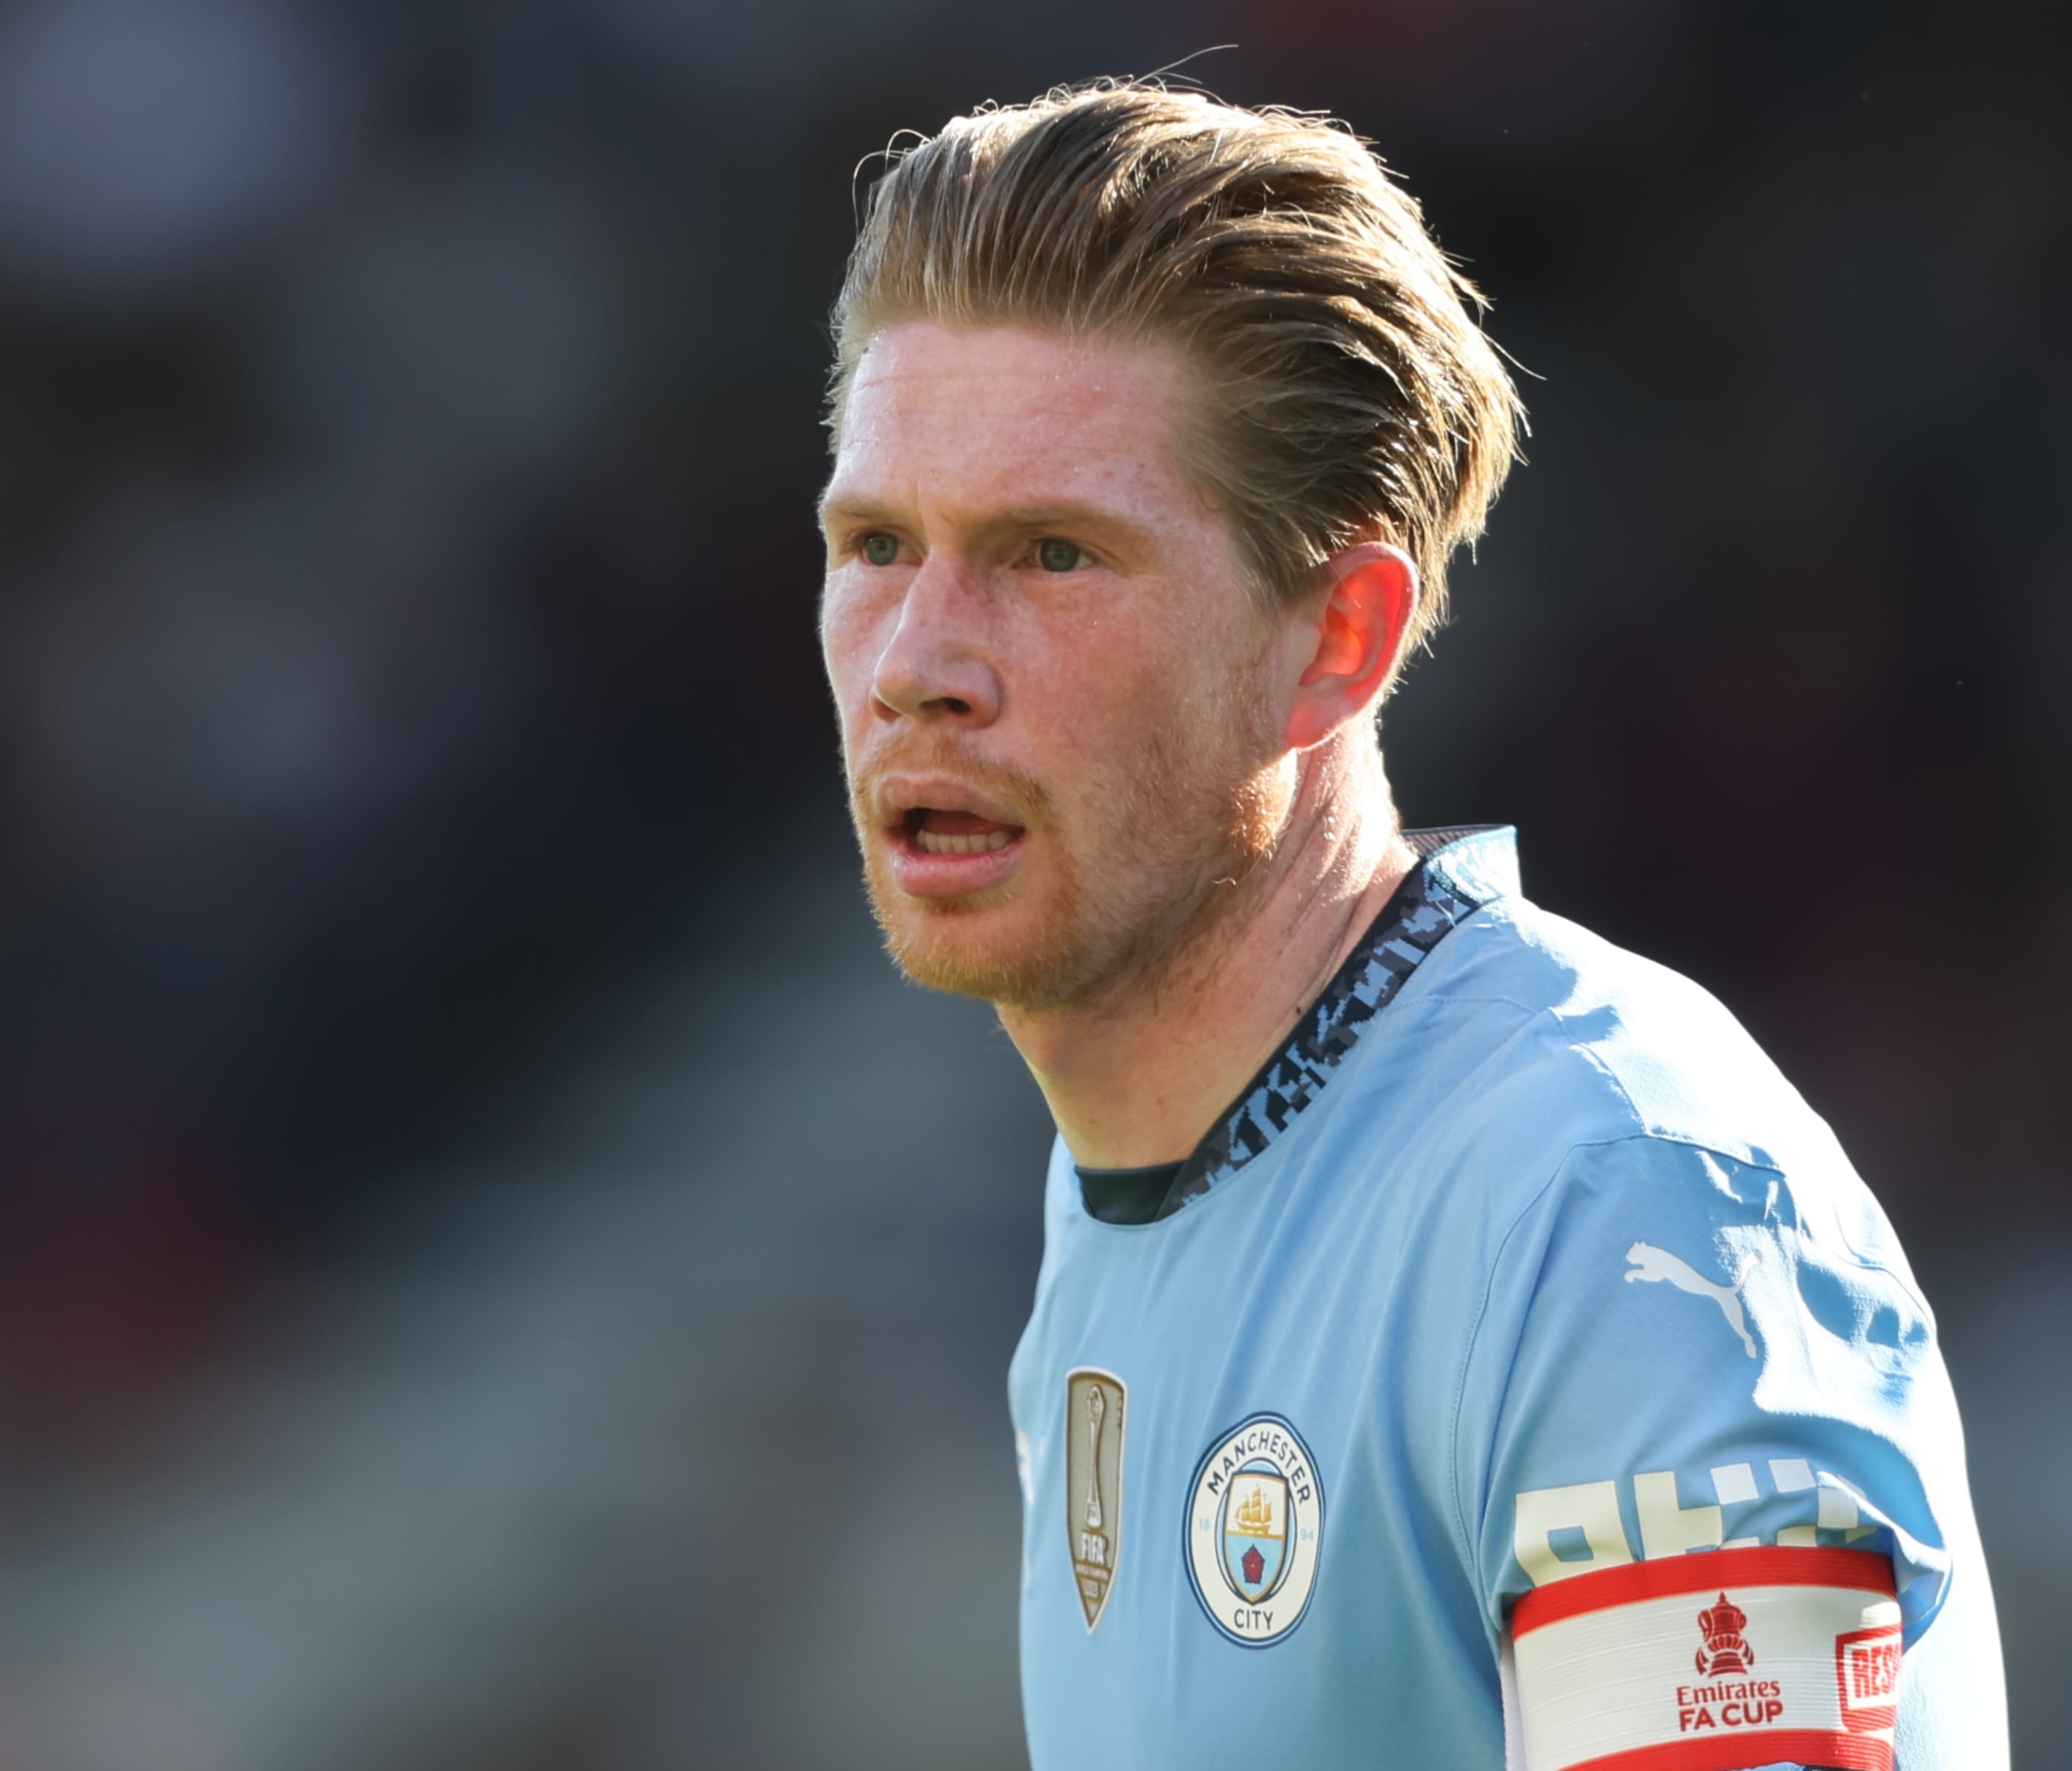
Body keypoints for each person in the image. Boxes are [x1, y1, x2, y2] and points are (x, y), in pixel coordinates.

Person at [813, 84, 2007, 1771]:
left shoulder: (1607, 1201)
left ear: (1338, 638)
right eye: (875, 544)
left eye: (1053, 553)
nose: (916, 657)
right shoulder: (1129, 1204)